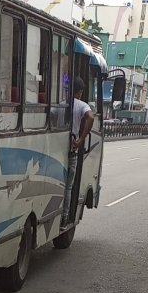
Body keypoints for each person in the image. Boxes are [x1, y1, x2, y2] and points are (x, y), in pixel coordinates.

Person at [62, 76, 94, 227]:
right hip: (71, 151)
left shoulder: (61, 104)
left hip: (57, 150)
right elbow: (90, 117)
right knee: (68, 187)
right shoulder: (82, 106)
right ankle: (64, 217)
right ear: (80, 92)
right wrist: (81, 140)